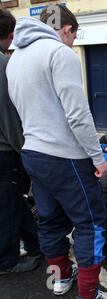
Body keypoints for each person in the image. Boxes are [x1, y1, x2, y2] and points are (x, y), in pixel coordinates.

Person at [6, 5, 107, 299]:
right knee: (90, 223)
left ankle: (61, 279)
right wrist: (97, 157)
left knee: (50, 221)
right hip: (65, 156)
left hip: (33, 153)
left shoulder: (15, 59)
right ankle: (88, 295)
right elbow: (78, 115)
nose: (73, 43)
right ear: (66, 29)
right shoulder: (59, 53)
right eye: (74, 37)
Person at [0, 8, 40, 275]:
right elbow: (8, 115)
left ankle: (35, 244)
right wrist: (23, 150)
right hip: (5, 151)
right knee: (8, 204)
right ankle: (7, 261)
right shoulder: (4, 64)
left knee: (16, 199)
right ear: (11, 34)